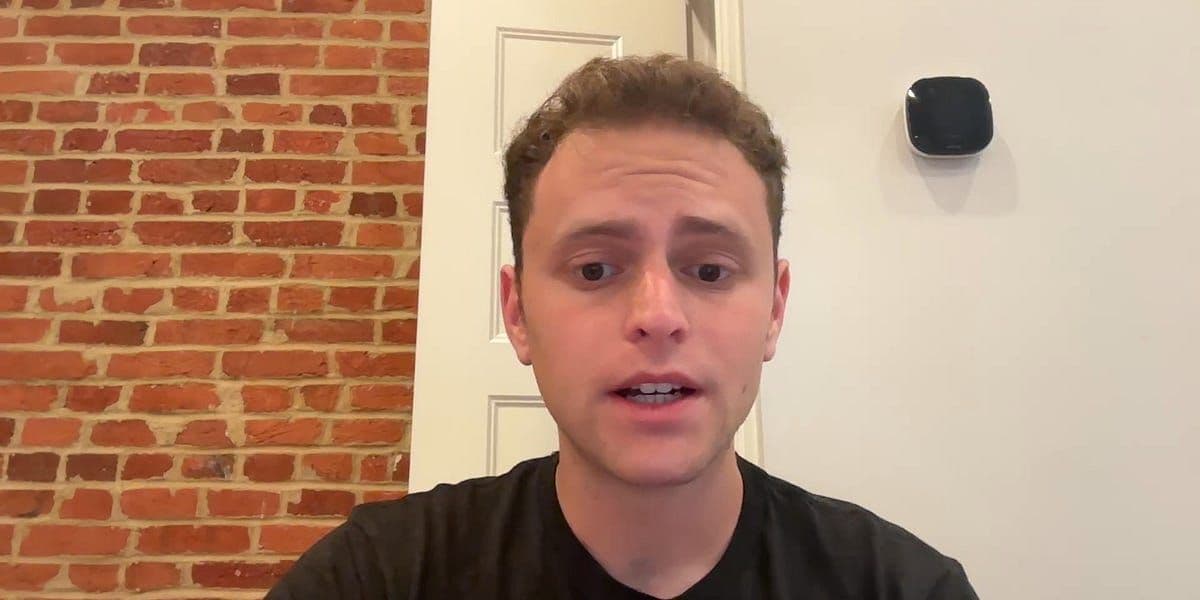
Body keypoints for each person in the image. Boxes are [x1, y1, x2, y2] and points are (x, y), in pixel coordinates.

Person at [264, 54, 979, 600]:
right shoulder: (372, 581)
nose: (658, 318)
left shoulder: (905, 589)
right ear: (517, 314)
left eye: (709, 270)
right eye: (596, 270)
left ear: (775, 310)